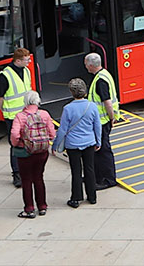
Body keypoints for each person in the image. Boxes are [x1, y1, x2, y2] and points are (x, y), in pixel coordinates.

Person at [54, 78, 103, 209]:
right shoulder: (92, 106)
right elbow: (97, 126)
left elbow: (63, 129)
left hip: (73, 144)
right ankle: (92, 196)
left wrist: (55, 145)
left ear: (71, 92)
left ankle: (76, 198)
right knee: (90, 169)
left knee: (76, 171)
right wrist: (98, 141)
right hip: (89, 142)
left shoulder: (68, 108)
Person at [9, 90, 55, 218]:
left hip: (25, 152)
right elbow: (52, 133)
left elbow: (14, 134)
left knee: (26, 180)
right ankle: (42, 206)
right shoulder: (44, 114)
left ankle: (29, 209)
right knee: (39, 177)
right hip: (41, 152)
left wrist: (16, 144)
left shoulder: (20, 116)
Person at [0, 48, 34, 187]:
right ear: (18, 61)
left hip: (26, 114)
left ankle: (26, 169)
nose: (29, 61)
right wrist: (5, 110)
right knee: (15, 144)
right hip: (12, 117)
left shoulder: (26, 71)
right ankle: (17, 174)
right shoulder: (5, 75)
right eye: (26, 59)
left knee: (27, 142)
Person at [84, 53, 120, 190]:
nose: (85, 66)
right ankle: (98, 176)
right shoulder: (104, 74)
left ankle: (109, 179)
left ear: (91, 65)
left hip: (102, 121)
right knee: (97, 151)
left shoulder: (100, 81)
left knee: (103, 151)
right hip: (101, 120)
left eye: (86, 64)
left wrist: (112, 118)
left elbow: (108, 103)